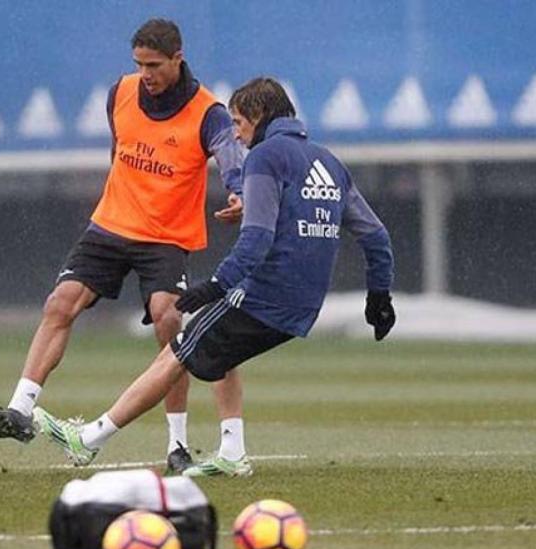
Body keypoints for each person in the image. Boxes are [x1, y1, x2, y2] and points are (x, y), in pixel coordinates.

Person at [29, 77, 397, 476]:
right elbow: (376, 235)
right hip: (304, 302)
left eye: (238, 122)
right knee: (219, 352)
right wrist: (379, 295)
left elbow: (257, 237)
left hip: (264, 296)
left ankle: (88, 440)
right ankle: (233, 452)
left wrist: (217, 285)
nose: (236, 135)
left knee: (176, 353)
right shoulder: (330, 163)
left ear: (258, 115)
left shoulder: (265, 157)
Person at [0, 18, 246, 474]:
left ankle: (177, 444)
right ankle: (21, 408)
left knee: (169, 319)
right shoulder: (119, 93)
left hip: (165, 237)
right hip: (111, 225)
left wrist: (239, 186)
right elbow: (119, 150)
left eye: (155, 64)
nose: (146, 73)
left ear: (178, 59)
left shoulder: (209, 113)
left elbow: (228, 151)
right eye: (139, 64)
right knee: (60, 303)